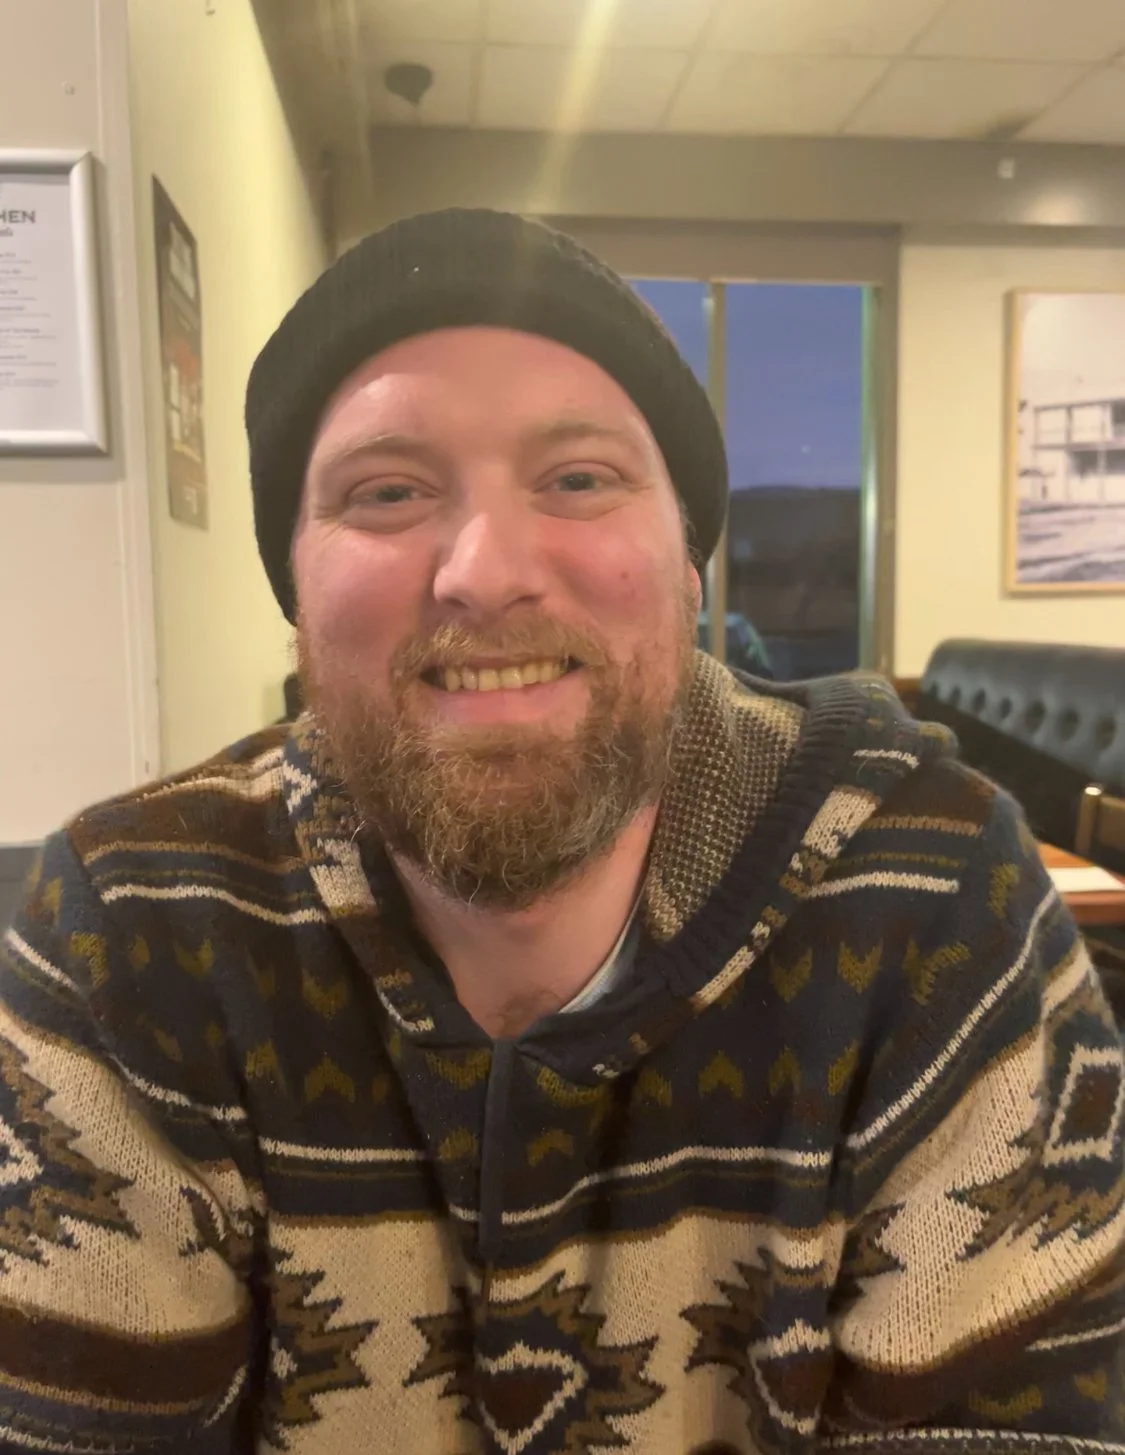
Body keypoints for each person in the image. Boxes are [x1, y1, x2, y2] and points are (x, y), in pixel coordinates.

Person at [3, 210, 1123, 1455]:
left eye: (579, 479)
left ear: (688, 563)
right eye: (388, 492)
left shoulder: (938, 901)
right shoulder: (133, 932)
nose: (487, 570)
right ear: (296, 592)